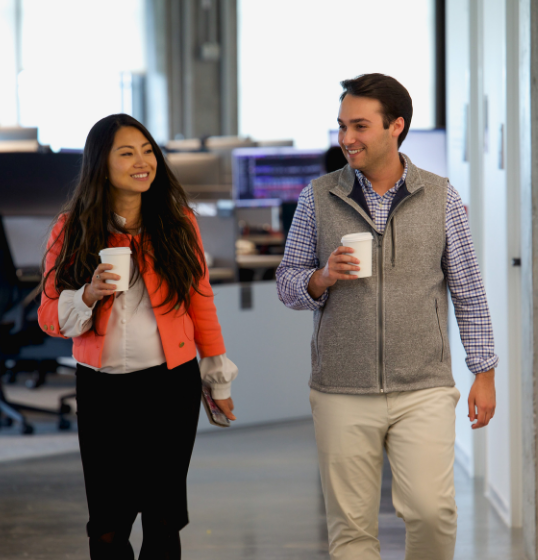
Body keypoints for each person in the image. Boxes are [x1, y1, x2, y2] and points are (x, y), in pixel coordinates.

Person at [276, 73, 497, 560]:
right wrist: (320, 278)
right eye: (341, 126)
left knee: (431, 511)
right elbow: (287, 283)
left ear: (396, 126)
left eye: (359, 126)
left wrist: (484, 370)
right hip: (340, 388)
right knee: (351, 531)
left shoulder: (442, 198)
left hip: (423, 386)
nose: (346, 139)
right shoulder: (317, 197)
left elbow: (469, 289)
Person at [38, 113, 238, 560]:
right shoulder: (70, 229)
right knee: (108, 524)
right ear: (100, 164)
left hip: (171, 384)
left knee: (164, 519)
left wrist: (217, 379)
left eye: (147, 151)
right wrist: (87, 293)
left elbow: (201, 303)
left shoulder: (178, 222)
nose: (142, 162)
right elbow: (49, 317)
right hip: (103, 388)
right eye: (126, 153)